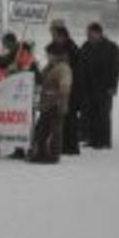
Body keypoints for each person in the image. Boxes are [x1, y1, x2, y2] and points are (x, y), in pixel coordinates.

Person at [79, 23, 119, 150]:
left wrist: (113, 86)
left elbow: (117, 68)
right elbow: (81, 65)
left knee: (103, 114)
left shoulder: (112, 47)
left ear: (98, 33)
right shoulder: (86, 46)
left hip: (105, 87)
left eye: (90, 34)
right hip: (89, 86)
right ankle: (92, 139)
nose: (87, 36)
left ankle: (104, 141)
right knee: (91, 113)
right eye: (87, 34)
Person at [29, 43, 72, 164]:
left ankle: (53, 156)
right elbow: (41, 80)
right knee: (41, 130)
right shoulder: (50, 67)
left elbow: (65, 86)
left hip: (56, 104)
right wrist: (35, 69)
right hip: (46, 104)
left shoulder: (63, 68)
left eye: (48, 54)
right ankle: (40, 153)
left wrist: (62, 102)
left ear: (56, 55)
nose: (47, 56)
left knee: (55, 132)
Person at [49, 22, 83, 155]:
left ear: (61, 35)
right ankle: (65, 144)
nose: (52, 36)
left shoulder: (71, 48)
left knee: (70, 118)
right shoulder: (62, 46)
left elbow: (73, 67)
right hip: (65, 87)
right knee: (65, 117)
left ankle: (71, 147)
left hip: (71, 87)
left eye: (53, 34)